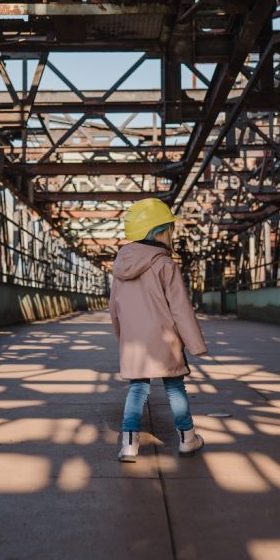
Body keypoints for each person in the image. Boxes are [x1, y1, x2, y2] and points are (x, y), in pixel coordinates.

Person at [109, 197, 209, 462]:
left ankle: (129, 444)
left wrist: (122, 337)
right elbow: (181, 309)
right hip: (165, 340)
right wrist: (196, 344)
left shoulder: (120, 268)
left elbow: (114, 308)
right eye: (168, 229)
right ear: (159, 232)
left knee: (137, 390)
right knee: (175, 388)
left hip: (135, 344)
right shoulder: (165, 264)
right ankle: (187, 439)